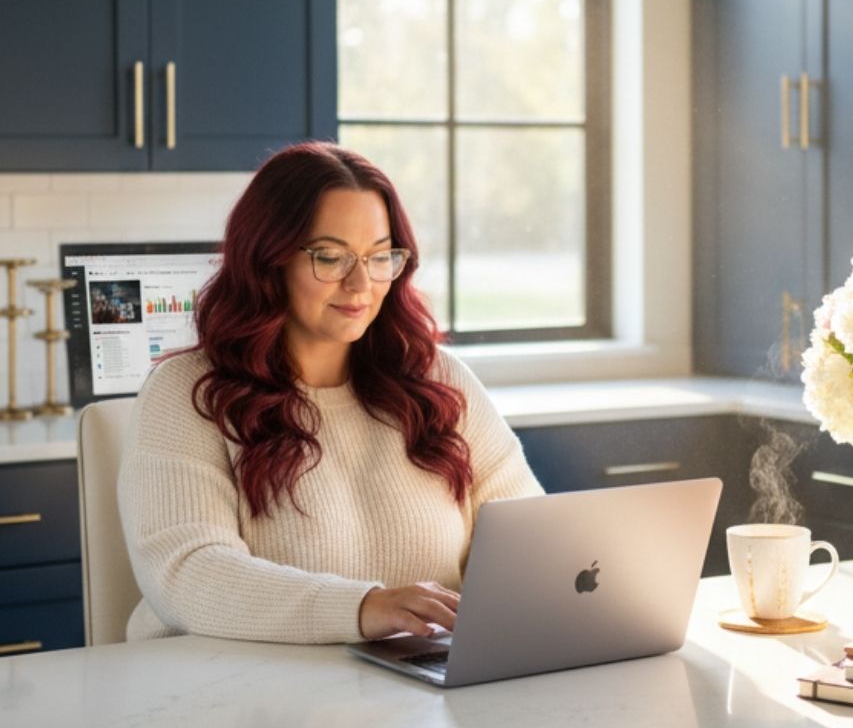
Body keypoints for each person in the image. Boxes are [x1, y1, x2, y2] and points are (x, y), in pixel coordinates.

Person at [119, 141, 544, 643]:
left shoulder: (438, 380)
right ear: (267, 260)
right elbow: (186, 573)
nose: (361, 283)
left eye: (380, 256)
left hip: (407, 694)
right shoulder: (189, 393)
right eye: (331, 257)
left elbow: (525, 535)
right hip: (228, 697)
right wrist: (362, 608)